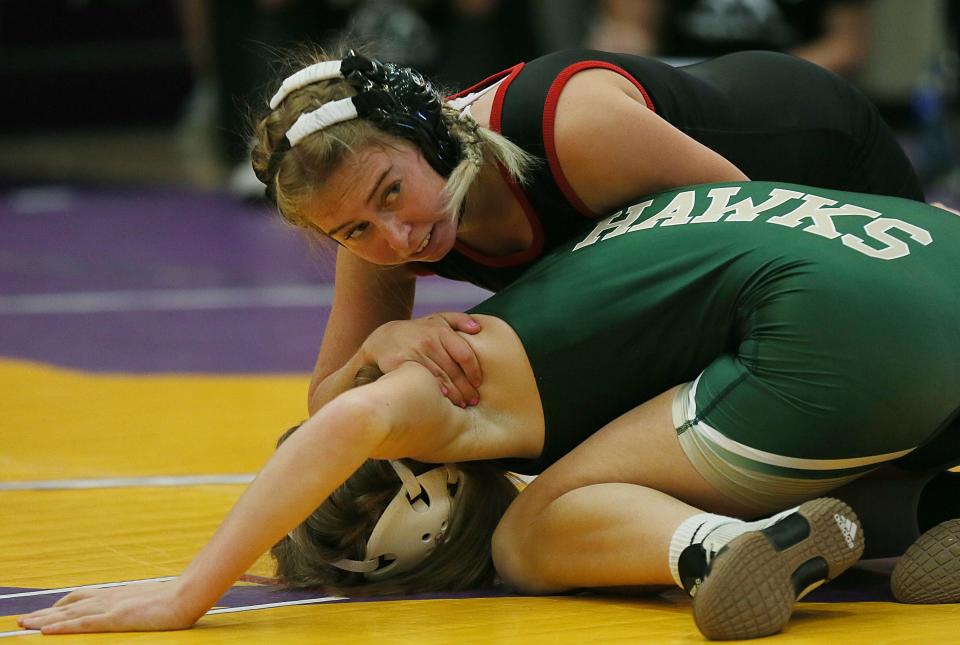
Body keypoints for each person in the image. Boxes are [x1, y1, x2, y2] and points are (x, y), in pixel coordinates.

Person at [19, 182, 960, 639]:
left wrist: (190, 594)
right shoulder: (555, 271)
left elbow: (340, 425)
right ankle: (932, 513)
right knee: (733, 435)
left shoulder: (449, 382)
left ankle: (712, 545)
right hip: (925, 249)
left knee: (540, 527)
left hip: (841, 337)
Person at [251, 47, 924, 415]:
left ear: (424, 133)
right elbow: (326, 402)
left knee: (901, 378)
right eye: (352, 230)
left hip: (809, 164)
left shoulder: (572, 129)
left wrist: (914, 243)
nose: (395, 240)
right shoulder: (372, 206)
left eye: (391, 195)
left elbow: (775, 237)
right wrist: (383, 345)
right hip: (703, 244)